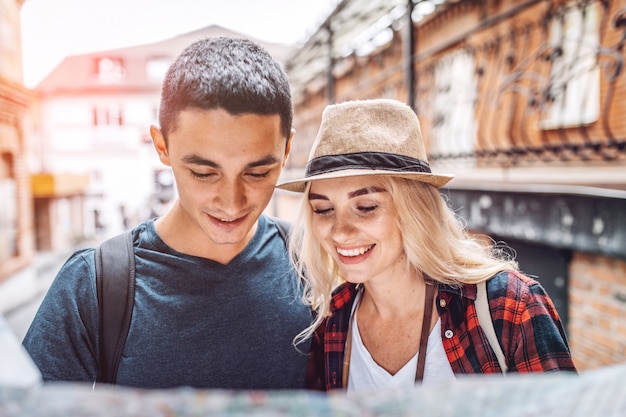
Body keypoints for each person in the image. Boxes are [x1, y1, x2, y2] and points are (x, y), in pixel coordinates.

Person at [22, 36, 312, 389]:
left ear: (287, 150)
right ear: (162, 146)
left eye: (258, 173)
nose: (232, 202)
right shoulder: (92, 287)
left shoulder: (314, 262)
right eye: (204, 173)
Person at [277, 98, 577, 392]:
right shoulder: (331, 322)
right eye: (323, 210)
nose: (340, 232)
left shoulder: (509, 306)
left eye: (366, 206)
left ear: (414, 210)